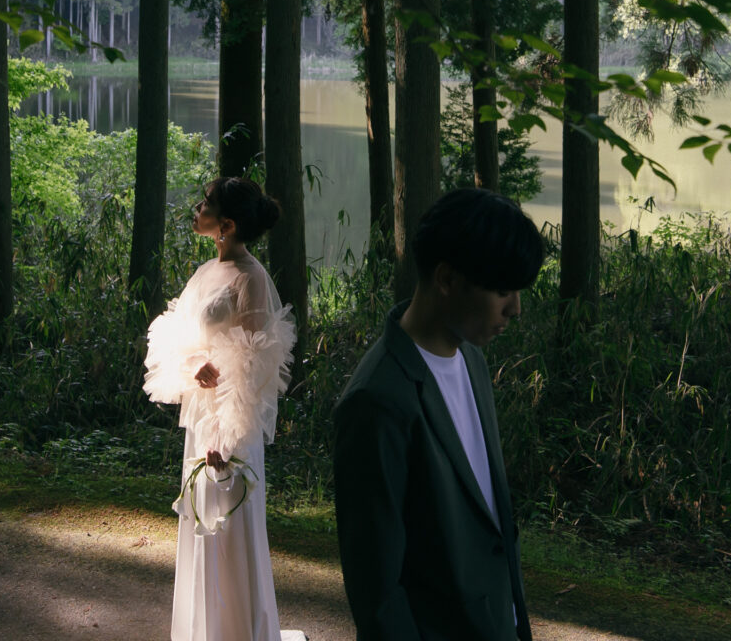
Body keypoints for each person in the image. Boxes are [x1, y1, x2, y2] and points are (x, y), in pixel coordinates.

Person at [333, 188, 545, 641]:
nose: (515, 309)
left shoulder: (471, 359)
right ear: (447, 279)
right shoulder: (377, 401)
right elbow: (378, 593)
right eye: (503, 290)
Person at [144, 176, 296, 641]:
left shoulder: (251, 278)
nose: (197, 209)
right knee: (200, 517)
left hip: (231, 420)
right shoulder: (205, 272)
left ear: (226, 224)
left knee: (229, 522)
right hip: (201, 412)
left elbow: (253, 365)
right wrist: (193, 364)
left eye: (205, 204)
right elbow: (176, 334)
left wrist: (225, 439)